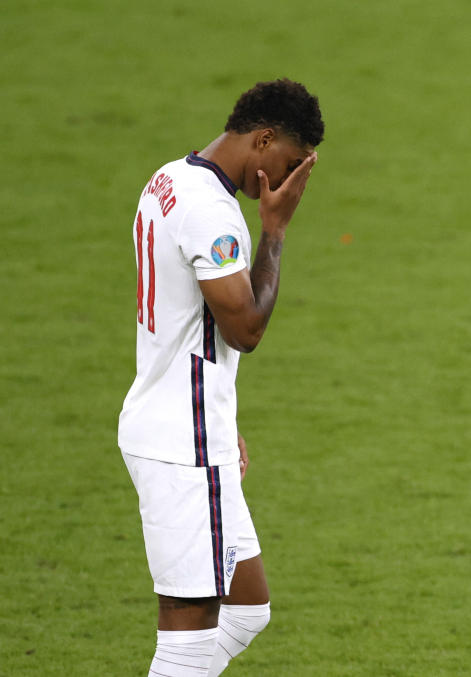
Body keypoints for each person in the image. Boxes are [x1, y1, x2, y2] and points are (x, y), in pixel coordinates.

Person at [118, 79, 324, 676]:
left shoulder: (170, 178)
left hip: (185, 425)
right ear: (262, 139)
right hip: (182, 444)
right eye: (287, 166)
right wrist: (276, 230)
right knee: (186, 635)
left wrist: (222, 421)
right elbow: (246, 330)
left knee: (246, 609)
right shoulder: (213, 211)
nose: (285, 183)